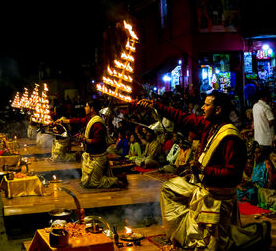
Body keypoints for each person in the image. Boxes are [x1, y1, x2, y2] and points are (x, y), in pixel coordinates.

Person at [137, 90, 271, 250]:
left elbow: (233, 175)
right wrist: (155, 105)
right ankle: (189, 234)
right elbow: (182, 117)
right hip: (203, 185)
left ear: (218, 109)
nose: (202, 107)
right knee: (169, 189)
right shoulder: (210, 125)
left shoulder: (230, 138)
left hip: (217, 195)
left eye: (206, 105)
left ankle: (258, 232)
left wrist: (204, 170)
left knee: (215, 246)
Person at [55, 99, 127, 188]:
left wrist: (84, 140)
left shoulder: (97, 123)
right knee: (86, 182)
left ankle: (117, 181)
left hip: (98, 157)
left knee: (94, 183)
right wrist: (62, 121)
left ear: (92, 108)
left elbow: (97, 141)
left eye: (87, 106)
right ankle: (118, 178)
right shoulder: (91, 119)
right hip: (92, 156)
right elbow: (79, 120)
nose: (85, 108)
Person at [253, 90, 275, 158]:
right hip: (266, 139)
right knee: (268, 157)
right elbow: (271, 121)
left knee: (261, 158)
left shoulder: (255, 106)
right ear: (265, 97)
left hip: (258, 137)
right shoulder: (265, 107)